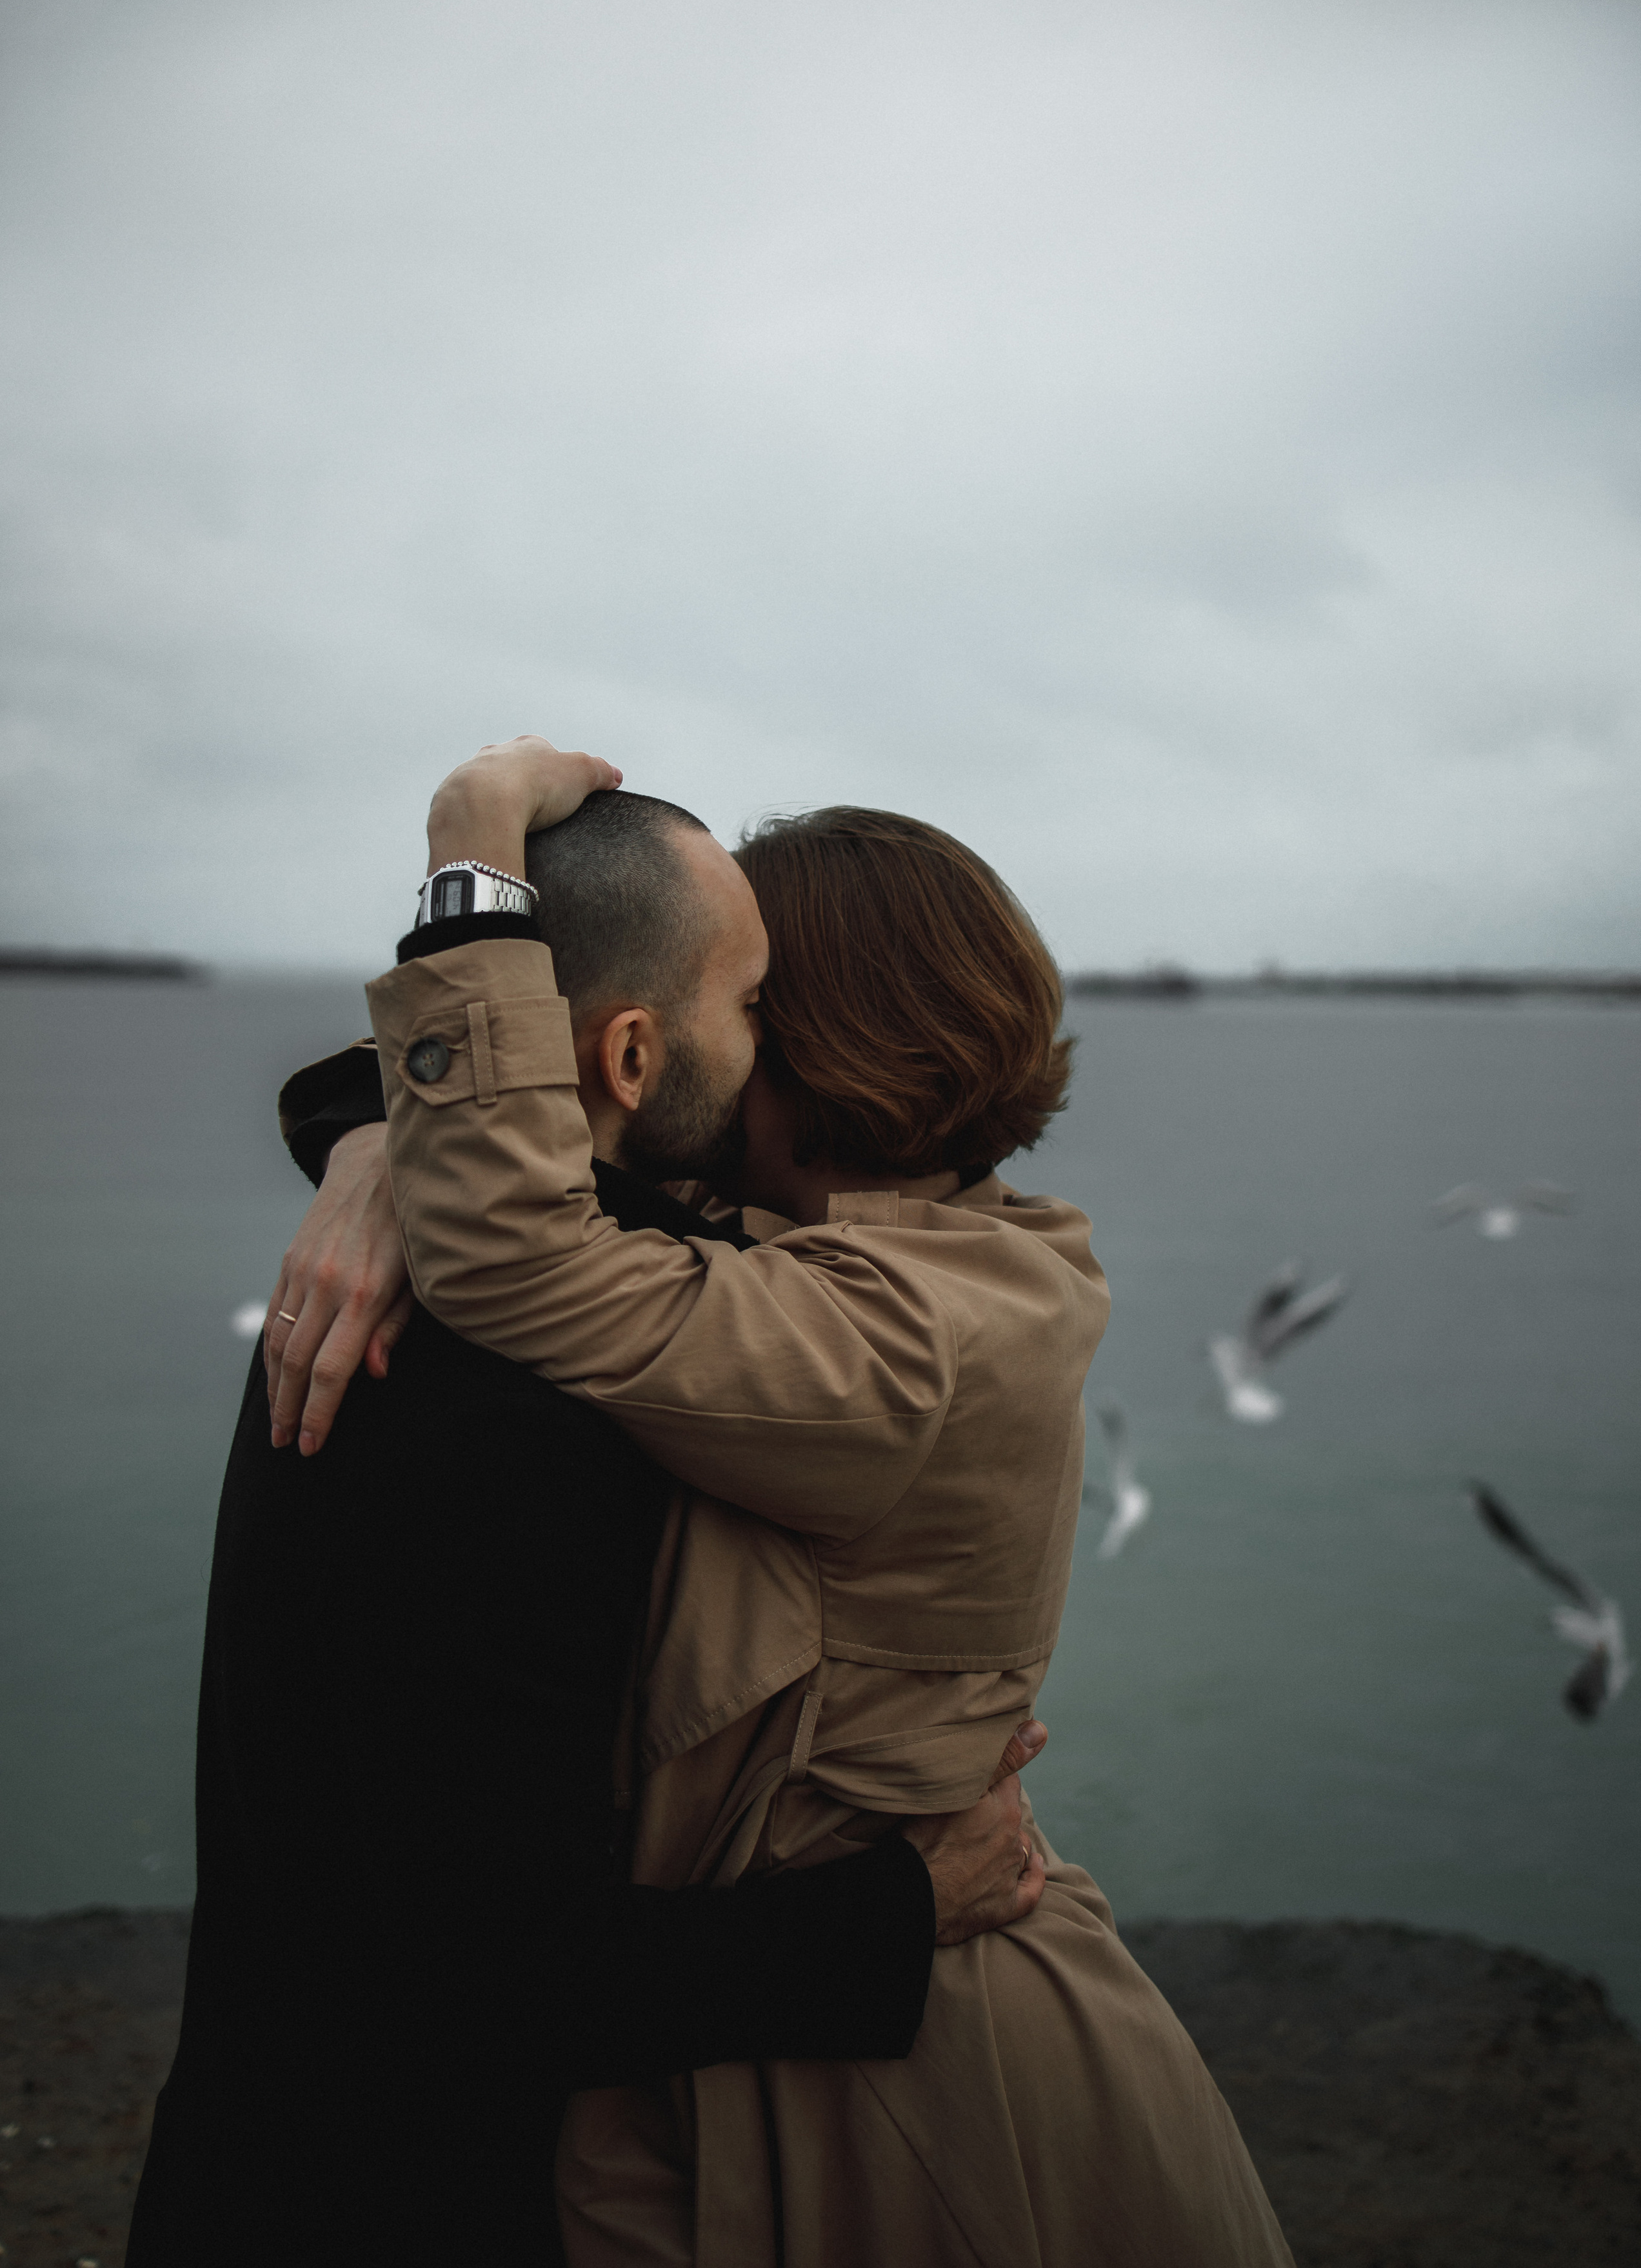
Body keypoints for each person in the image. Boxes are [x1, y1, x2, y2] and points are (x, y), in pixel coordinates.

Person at [275, 735, 1293, 2265]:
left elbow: (512, 1229)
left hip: (918, 2075)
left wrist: (471, 847)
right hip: (815, 2018)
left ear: (812, 1044)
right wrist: (371, 1150)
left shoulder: (886, 1339)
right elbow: (521, 1100)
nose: (715, 1027)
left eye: (749, 1000)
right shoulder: (943, 1244)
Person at [126, 784, 1046, 2268]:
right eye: (756, 1008)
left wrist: (381, 1145)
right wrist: (895, 1908)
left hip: (269, 2142)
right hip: (397, 2200)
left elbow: (495, 1141)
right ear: (632, 1052)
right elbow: (491, 1974)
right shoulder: (529, 1391)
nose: (766, 1059)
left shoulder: (452, 1286)